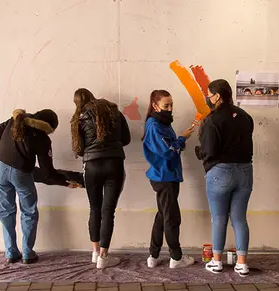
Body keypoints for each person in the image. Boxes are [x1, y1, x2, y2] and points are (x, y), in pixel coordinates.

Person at [0, 108, 71, 265]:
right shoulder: (42, 138)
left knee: (5, 211)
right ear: (49, 127)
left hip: (1, 169)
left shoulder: (14, 120)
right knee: (29, 211)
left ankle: (10, 252)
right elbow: (47, 172)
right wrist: (64, 181)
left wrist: (4, 151)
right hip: (21, 174)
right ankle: (27, 253)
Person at [195, 79, 255, 277]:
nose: (208, 98)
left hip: (220, 173)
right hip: (245, 172)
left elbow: (209, 151)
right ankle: (242, 263)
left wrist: (199, 151)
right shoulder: (245, 116)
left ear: (217, 96)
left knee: (219, 218)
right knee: (239, 219)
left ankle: (217, 261)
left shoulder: (212, 120)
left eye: (209, 94)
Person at [71, 88, 131, 269]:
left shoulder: (79, 119)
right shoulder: (114, 111)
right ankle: (104, 256)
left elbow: (79, 149)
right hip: (114, 164)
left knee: (94, 208)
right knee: (108, 210)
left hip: (91, 166)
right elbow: (126, 139)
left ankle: (95, 252)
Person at [142, 90, 196, 269]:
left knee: (162, 215)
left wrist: (179, 141)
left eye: (172, 104)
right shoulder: (154, 125)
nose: (170, 108)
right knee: (171, 217)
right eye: (166, 105)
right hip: (164, 177)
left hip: (166, 175)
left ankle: (153, 255)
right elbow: (167, 151)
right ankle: (176, 257)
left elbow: (169, 147)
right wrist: (181, 139)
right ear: (155, 106)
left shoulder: (163, 123)